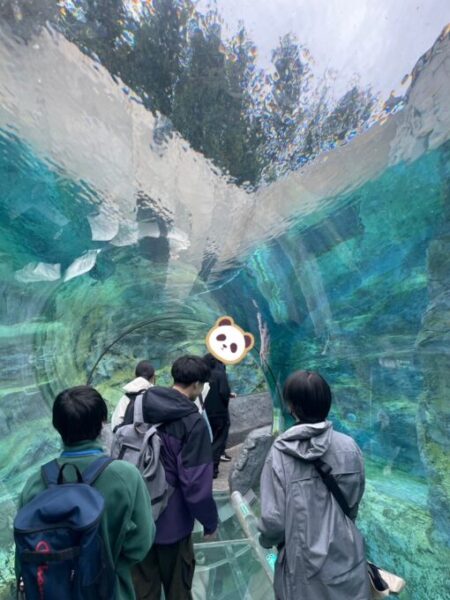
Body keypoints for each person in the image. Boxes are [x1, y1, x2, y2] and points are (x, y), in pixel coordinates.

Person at [16, 386, 155, 599]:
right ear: (102, 423)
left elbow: (24, 553)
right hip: (111, 590)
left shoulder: (35, 483)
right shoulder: (125, 476)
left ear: (57, 426)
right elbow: (141, 543)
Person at [258, 370, 370, 600]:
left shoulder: (279, 454)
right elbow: (354, 499)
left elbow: (273, 521)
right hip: (347, 557)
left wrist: (266, 541)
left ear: (292, 407)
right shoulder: (350, 447)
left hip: (302, 570)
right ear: (327, 403)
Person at [127, 355, 219, 600]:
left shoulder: (138, 406)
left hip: (137, 518)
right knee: (178, 590)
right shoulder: (193, 422)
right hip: (172, 524)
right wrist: (210, 522)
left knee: (142, 591)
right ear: (197, 385)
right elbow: (195, 484)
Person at [202, 353, 234, 478]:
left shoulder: (203, 375)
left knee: (208, 440)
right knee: (218, 440)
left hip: (206, 412)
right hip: (220, 413)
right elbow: (224, 392)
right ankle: (213, 470)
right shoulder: (220, 374)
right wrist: (226, 401)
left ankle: (205, 468)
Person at [111, 360, 155, 432]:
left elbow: (115, 426)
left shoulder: (126, 398)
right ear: (153, 377)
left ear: (135, 376)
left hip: (127, 437)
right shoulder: (156, 397)